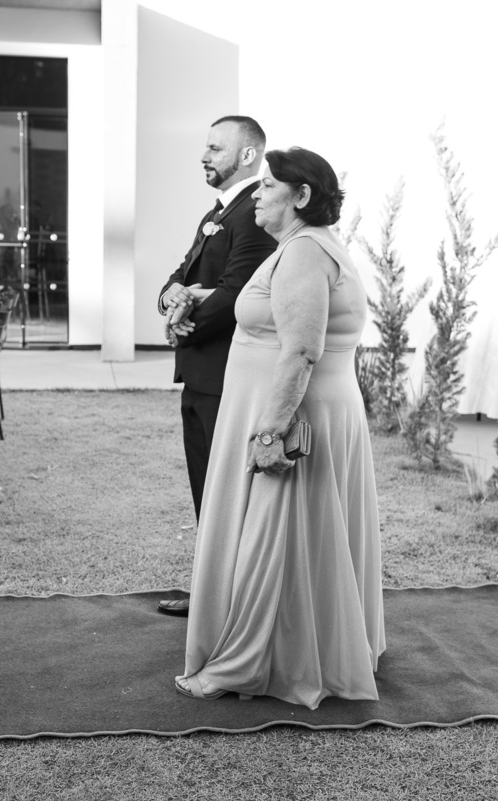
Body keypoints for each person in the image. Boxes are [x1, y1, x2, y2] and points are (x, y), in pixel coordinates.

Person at [175, 147, 384, 709]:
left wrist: (269, 435)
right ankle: (308, 648)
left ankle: (253, 662)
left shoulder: (303, 253)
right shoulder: (303, 248)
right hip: (306, 408)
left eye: (268, 185)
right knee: (296, 541)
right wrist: (195, 296)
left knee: (274, 539)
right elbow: (276, 314)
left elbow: (300, 350)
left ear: (302, 196)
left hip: (292, 417)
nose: (258, 193)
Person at [155, 116, 276, 617]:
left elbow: (236, 295)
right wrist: (169, 298)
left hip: (228, 376)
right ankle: (211, 590)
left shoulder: (254, 214)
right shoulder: (218, 211)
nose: (204, 156)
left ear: (247, 155)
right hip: (200, 375)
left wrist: (183, 325)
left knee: (224, 493)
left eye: (214, 148)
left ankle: (229, 600)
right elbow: (180, 274)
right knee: (205, 487)